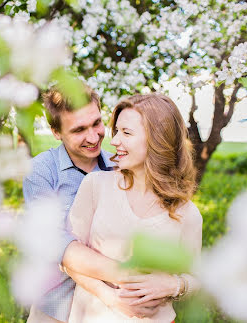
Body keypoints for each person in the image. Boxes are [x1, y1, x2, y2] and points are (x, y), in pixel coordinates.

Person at [23, 88, 165, 323]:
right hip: (57, 308)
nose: (92, 137)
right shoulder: (41, 172)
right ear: (56, 132)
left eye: (96, 123)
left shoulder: (122, 165)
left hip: (110, 313)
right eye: (79, 130)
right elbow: (57, 244)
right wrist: (125, 281)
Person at [65, 93, 203, 322]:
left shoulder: (187, 213)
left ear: (158, 140)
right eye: (116, 131)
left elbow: (196, 278)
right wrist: (109, 297)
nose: (115, 141)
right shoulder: (96, 185)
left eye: (126, 133)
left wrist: (174, 284)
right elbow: (67, 258)